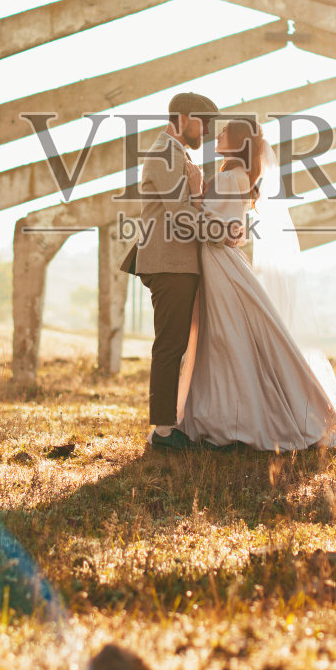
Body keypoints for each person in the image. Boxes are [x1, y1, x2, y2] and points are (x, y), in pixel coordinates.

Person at [177, 115, 336, 451]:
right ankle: (220, 415)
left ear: (238, 141)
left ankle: (232, 419)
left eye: (225, 131)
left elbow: (220, 231)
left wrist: (193, 197)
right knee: (221, 342)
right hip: (217, 265)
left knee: (225, 340)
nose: (217, 134)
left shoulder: (232, 177)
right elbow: (236, 230)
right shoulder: (233, 175)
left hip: (220, 268)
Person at [119, 91, 235, 450]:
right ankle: (164, 432)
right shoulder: (165, 154)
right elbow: (181, 217)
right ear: (182, 118)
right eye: (204, 122)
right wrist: (223, 232)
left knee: (179, 343)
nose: (208, 131)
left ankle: (174, 424)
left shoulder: (177, 153)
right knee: (170, 345)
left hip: (179, 262)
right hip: (169, 263)